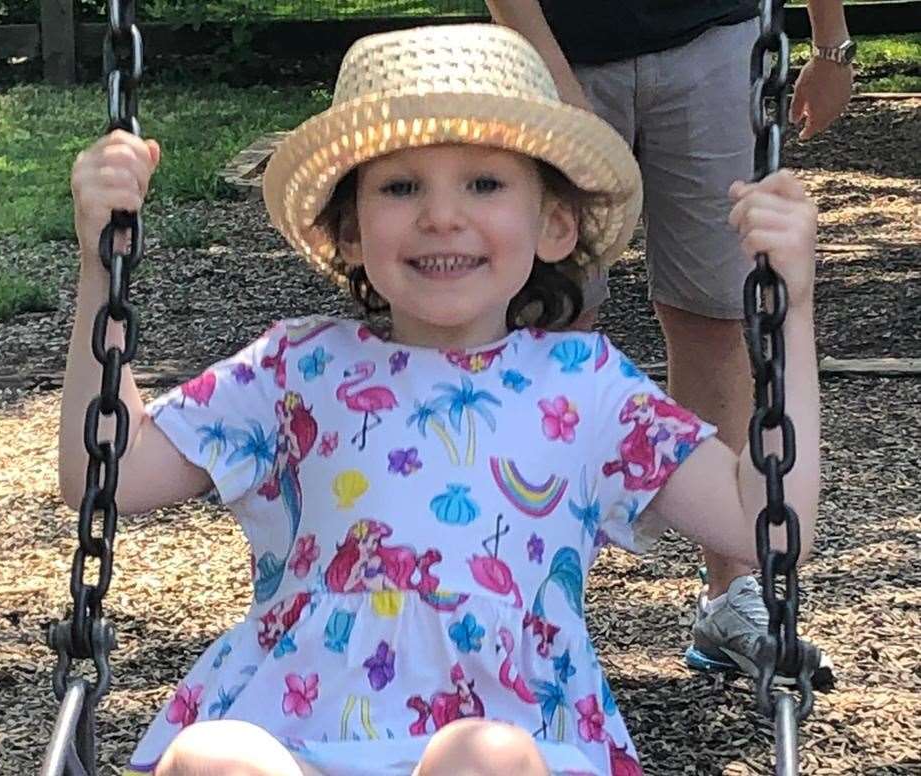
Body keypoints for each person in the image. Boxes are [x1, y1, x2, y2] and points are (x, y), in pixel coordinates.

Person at [61, 24, 821, 776]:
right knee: (214, 754)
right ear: (350, 229)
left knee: (479, 755)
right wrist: (102, 270)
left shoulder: (586, 386)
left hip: (518, 739)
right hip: (298, 733)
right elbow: (108, 476)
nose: (441, 216)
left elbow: (767, 529)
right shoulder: (294, 366)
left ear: (554, 222)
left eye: (484, 183)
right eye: (400, 186)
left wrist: (789, 310)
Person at [483, 0, 849, 685]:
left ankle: (732, 591)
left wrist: (831, 42)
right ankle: (523, 592)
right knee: (542, 328)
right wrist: (552, 73)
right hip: (550, 42)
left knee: (715, 312)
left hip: (710, 34)